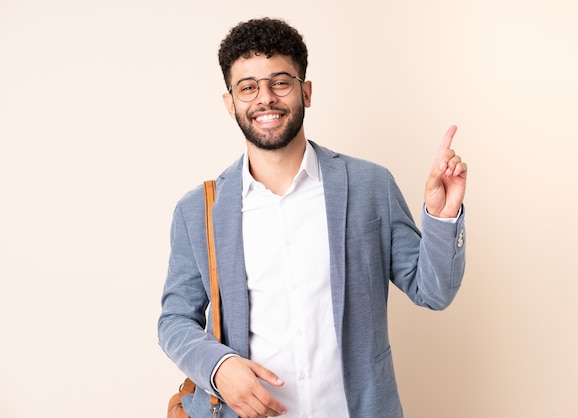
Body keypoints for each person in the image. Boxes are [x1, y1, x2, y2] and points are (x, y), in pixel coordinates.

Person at [158, 17, 467, 418]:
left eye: (280, 82)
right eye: (248, 87)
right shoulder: (197, 211)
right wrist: (219, 368)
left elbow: (434, 292)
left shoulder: (370, 186)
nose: (265, 98)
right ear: (230, 102)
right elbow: (174, 320)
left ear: (305, 91)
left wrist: (442, 218)